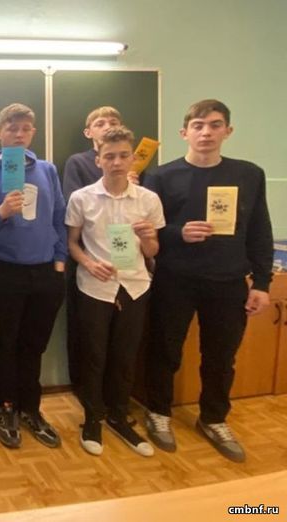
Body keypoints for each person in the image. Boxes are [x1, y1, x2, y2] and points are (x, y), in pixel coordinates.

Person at [143, 99, 273, 463]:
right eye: (198, 126)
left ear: (227, 131)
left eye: (215, 125)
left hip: (228, 281)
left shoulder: (249, 174)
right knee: (164, 351)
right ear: (184, 132)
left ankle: (214, 418)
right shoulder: (161, 177)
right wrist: (178, 232)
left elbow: (259, 230)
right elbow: (148, 230)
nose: (206, 133)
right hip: (174, 280)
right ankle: (158, 412)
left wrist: (262, 283)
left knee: (221, 357)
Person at [0, 103, 67, 450]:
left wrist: (59, 259)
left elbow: (59, 216)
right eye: (12, 128)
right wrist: (1, 212)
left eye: (25, 128)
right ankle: (5, 407)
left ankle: (31, 409)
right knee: (3, 343)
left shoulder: (48, 170)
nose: (19, 134)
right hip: (1, 271)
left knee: (33, 345)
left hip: (45, 272)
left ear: (32, 133)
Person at [65, 126, 164, 457]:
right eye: (109, 156)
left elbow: (152, 252)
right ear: (98, 160)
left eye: (123, 156)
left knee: (125, 356)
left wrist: (148, 238)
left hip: (134, 286)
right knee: (94, 356)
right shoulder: (82, 198)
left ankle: (120, 417)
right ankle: (93, 419)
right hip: (95, 286)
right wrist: (88, 263)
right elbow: (72, 243)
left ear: (133, 157)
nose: (117, 162)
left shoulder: (148, 199)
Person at [62, 107, 123, 389]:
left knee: (120, 337)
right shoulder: (78, 162)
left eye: (113, 122)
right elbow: (72, 206)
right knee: (87, 334)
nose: (107, 126)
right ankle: (87, 393)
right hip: (86, 258)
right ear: (88, 132)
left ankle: (115, 396)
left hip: (123, 260)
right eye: (100, 123)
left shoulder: (133, 165)